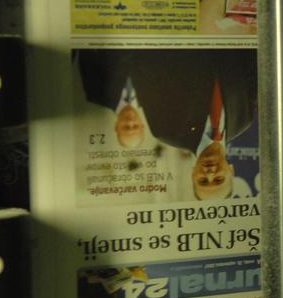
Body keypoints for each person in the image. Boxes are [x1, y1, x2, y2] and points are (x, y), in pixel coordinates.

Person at [76, 49, 257, 200]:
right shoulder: (244, 120)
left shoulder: (166, 130)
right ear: (231, 171)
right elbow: (249, 63)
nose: (210, 173)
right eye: (218, 179)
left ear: (193, 173)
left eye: (203, 181)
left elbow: (150, 63)